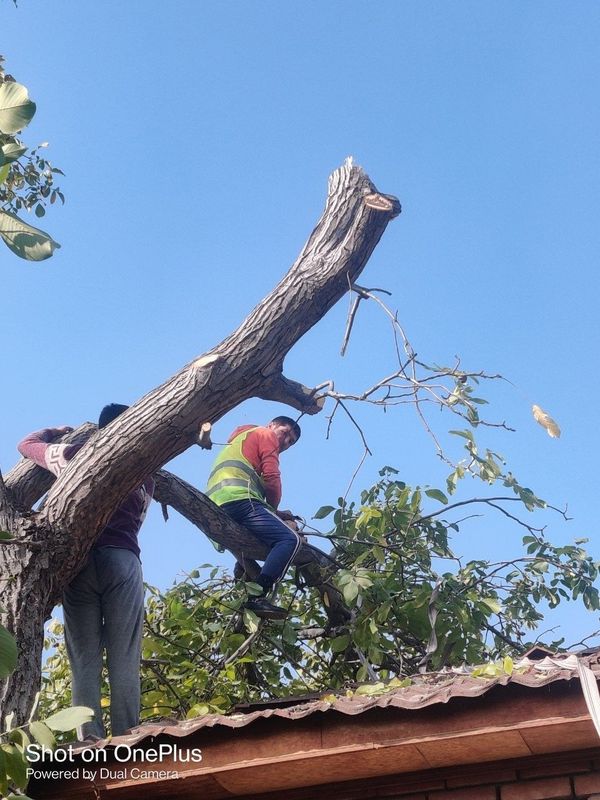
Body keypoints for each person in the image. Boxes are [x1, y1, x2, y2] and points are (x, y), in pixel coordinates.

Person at [17, 404, 154, 739]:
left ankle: (88, 736)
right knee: (125, 651)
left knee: (83, 654)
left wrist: (55, 431)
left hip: (79, 563)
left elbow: (26, 445)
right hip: (122, 559)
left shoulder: (77, 456)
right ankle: (127, 732)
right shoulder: (147, 477)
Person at [206, 416, 302, 619]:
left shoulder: (242, 439)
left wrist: (272, 513)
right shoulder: (264, 433)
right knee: (289, 540)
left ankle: (243, 570)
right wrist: (274, 509)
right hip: (239, 499)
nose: (285, 442)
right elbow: (272, 478)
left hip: (218, 502)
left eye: (291, 442)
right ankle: (257, 596)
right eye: (285, 433)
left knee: (262, 540)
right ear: (272, 425)